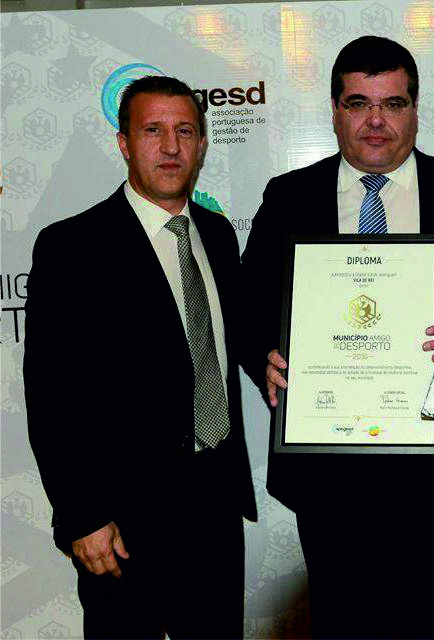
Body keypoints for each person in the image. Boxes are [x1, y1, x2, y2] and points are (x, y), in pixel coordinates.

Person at [240, 36, 434, 639]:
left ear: (415, 110)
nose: (376, 121)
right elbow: (249, 308)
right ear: (334, 110)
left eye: (393, 104)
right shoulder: (288, 198)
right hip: (331, 482)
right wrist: (265, 354)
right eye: (358, 103)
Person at [23, 76, 256, 639]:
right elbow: (50, 396)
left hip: (215, 512)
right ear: (124, 143)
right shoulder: (72, 247)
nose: (171, 147)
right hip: (122, 525)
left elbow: (232, 344)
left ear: (203, 143)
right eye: (153, 131)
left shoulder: (219, 236)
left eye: (185, 132)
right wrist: (82, 515)